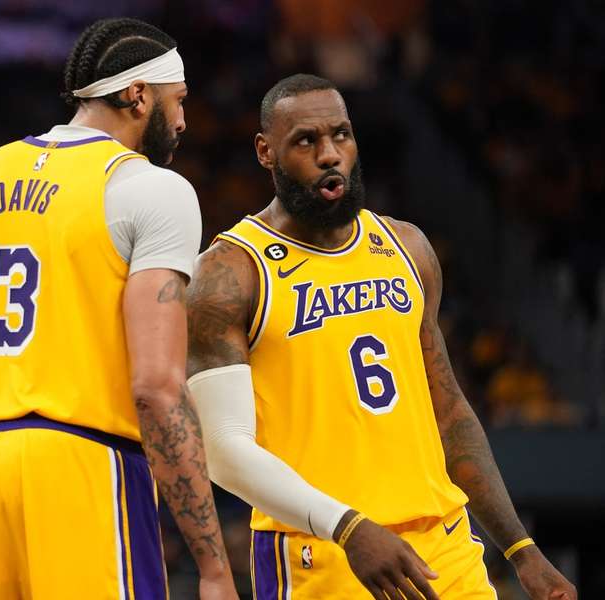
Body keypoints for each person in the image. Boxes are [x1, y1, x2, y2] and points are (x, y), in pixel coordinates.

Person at [185, 74, 577, 600]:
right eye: (306, 140)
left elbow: (449, 412)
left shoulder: (407, 246)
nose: (330, 154)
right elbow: (223, 453)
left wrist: (521, 551)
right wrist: (348, 528)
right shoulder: (231, 273)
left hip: (445, 547)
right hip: (322, 550)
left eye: (341, 135)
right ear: (265, 150)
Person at [0, 17, 237, 599]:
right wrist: (213, 568)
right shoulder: (153, 189)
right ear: (137, 95)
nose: (183, 121)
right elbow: (157, 387)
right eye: (177, 102)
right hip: (82, 468)